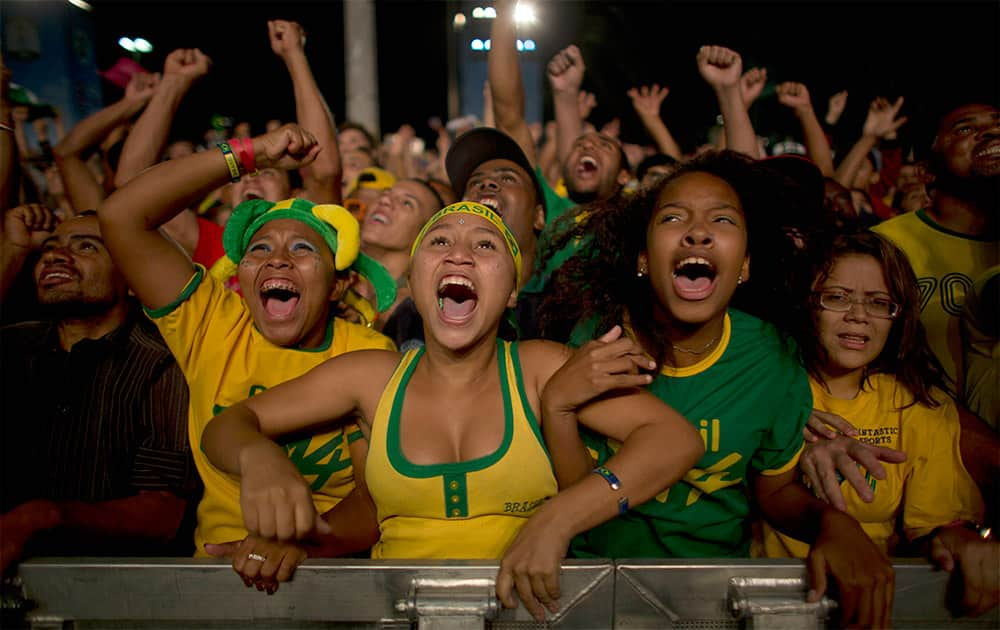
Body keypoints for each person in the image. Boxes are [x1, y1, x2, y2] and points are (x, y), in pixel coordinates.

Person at [200, 201, 704, 620]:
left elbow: (675, 440)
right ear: (414, 284)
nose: (460, 253)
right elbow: (227, 426)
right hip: (399, 616)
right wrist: (265, 468)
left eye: (485, 245)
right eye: (439, 242)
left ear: (510, 293)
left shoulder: (537, 368)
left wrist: (559, 518)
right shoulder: (370, 377)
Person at [539, 151, 895, 628]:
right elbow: (575, 488)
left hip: (711, 595)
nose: (698, 232)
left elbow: (775, 493)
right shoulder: (596, 339)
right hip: (592, 587)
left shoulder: (771, 360)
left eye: (722, 220)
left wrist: (833, 524)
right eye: (673, 217)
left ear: (744, 266)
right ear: (644, 258)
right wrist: (558, 408)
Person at [96, 123, 397, 566]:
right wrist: (250, 154)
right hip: (217, 578)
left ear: (337, 285)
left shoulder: (366, 352)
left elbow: (375, 502)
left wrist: (305, 542)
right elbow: (120, 215)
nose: (278, 259)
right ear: (241, 275)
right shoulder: (212, 322)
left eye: (302, 248)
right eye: (259, 249)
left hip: (328, 575)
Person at [762, 231, 996, 618]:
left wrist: (958, 540)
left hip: (878, 602)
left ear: (898, 318)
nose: (858, 315)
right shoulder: (766, 387)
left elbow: (932, 532)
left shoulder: (920, 405)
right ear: (808, 303)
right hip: (772, 598)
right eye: (837, 297)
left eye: (878, 303)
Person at [0, 207, 196, 573]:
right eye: (48, 248)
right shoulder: (14, 345)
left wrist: (43, 518)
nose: (57, 255)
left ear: (134, 280)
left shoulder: (162, 363)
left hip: (112, 594)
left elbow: (165, 514)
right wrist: (12, 250)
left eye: (87, 247)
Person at [354, 178, 444, 327]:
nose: (384, 200)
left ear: (425, 235)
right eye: (385, 193)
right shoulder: (334, 274)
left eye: (406, 203)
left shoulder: (416, 310)